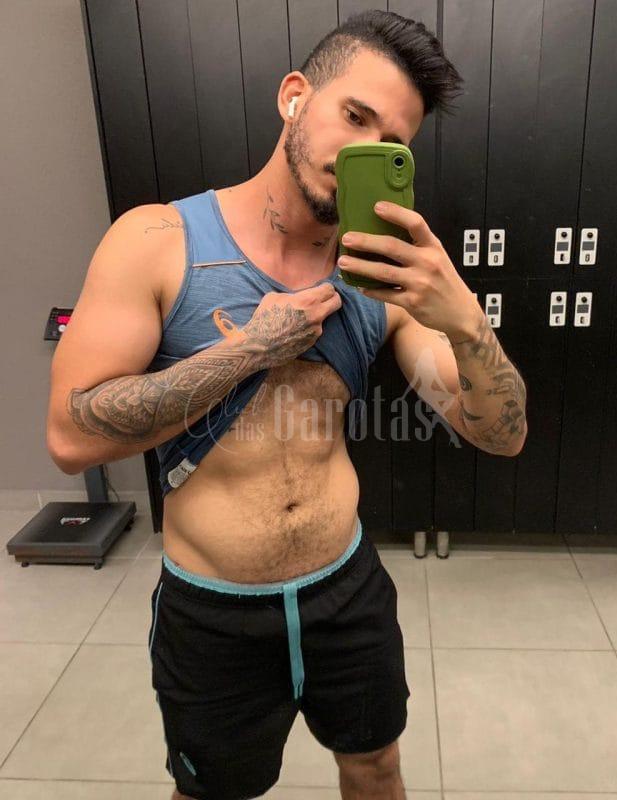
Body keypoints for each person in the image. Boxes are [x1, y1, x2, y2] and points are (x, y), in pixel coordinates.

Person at [47, 10, 526, 800]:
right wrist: (249, 349)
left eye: (391, 143)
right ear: (294, 96)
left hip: (346, 591)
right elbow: (71, 434)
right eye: (354, 115)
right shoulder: (157, 240)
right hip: (212, 610)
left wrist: (466, 319)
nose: (364, 148)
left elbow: (498, 434)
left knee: (375, 768)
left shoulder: (384, 280)